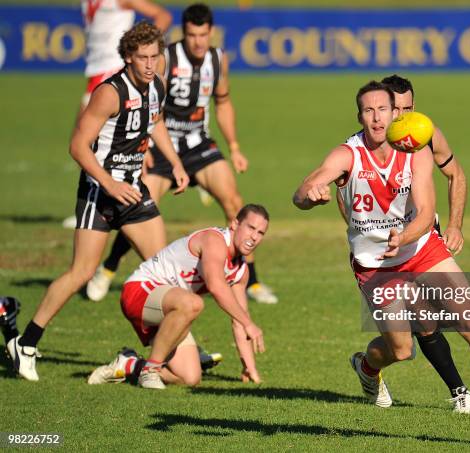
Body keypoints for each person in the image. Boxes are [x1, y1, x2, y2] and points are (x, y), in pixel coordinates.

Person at [293, 81, 470, 442]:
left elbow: (424, 212)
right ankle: (367, 366)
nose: (376, 118)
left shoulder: (416, 150)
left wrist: (405, 237)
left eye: (383, 110)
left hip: (421, 248)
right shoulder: (347, 154)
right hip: (375, 266)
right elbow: (302, 191)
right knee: (401, 350)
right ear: (360, 115)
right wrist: (310, 195)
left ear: (395, 113)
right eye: (368, 111)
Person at [7, 22, 189, 382]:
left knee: (166, 272)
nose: (151, 64)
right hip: (99, 193)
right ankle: (26, 344)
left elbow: (155, 123)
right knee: (81, 273)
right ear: (127, 57)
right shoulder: (110, 92)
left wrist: (176, 162)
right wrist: (108, 182)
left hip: (134, 191)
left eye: (155, 56)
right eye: (143, 58)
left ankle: (173, 351)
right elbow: (77, 145)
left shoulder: (157, 83)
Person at [86, 3, 278, 305]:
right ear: (183, 33)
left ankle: (251, 283)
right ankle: (108, 269)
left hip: (199, 143)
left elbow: (224, 103)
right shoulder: (166, 59)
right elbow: (148, 105)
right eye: (191, 35)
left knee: (235, 203)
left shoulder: (218, 60)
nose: (198, 42)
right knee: (139, 207)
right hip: (162, 146)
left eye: (203, 35)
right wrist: (143, 145)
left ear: (211, 33)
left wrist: (235, 147)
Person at [334, 75, 470, 413]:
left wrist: (454, 225)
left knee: (457, 315)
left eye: (408, 108)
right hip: (383, 250)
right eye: (395, 109)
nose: (401, 116)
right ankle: (372, 367)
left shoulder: (424, 133)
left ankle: (459, 391)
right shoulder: (357, 149)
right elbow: (346, 203)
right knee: (406, 342)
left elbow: (456, 174)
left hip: (423, 235)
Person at [87, 204, 268, 388]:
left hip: (172, 309)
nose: (254, 237)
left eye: (261, 233)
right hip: (140, 291)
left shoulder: (241, 271)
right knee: (193, 303)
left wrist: (249, 367)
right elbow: (216, 286)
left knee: (190, 378)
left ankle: (131, 365)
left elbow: (239, 319)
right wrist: (249, 324)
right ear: (235, 224)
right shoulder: (215, 240)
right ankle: (151, 371)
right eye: (251, 228)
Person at [62, 0, 172, 229]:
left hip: (118, 73)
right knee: (87, 142)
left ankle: (119, 203)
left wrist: (144, 52)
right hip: (96, 73)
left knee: (91, 140)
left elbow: (162, 15)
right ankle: (95, 205)